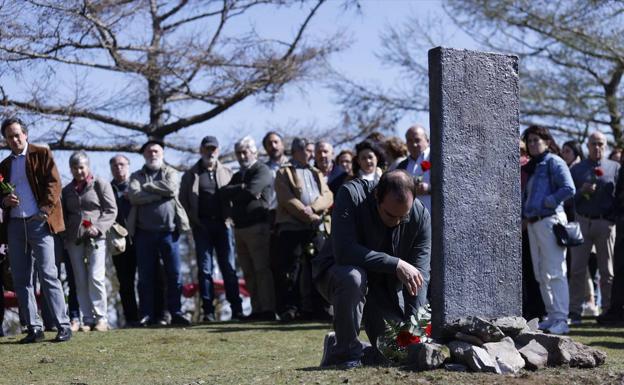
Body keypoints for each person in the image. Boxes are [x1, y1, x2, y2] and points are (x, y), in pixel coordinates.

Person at [312, 170, 430, 368]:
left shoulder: (420, 216)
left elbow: (419, 277)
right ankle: (346, 354)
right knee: (354, 277)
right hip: (339, 275)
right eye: (391, 215)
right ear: (376, 195)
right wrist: (396, 263)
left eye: (404, 216)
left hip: (383, 291)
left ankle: (340, 345)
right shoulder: (351, 195)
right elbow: (344, 251)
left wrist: (413, 331)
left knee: (396, 353)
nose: (397, 222)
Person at [0, 117, 71, 343]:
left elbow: (54, 183)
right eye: (9, 137)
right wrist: (4, 201)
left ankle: (63, 325)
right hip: (15, 225)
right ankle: (34, 328)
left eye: (17, 134)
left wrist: (44, 210)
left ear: (26, 134)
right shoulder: (4, 166)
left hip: (40, 222)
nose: (14, 139)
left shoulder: (42, 153)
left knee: (49, 274)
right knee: (21, 279)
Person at [128, 139, 191, 326]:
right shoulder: (136, 175)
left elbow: (172, 189)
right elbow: (134, 196)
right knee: (145, 277)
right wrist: (159, 193)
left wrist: (147, 188)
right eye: (149, 152)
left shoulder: (171, 172)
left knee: (174, 275)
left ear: (162, 153)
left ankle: (176, 312)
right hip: (144, 234)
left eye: (156, 151)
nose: (152, 154)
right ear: (144, 155)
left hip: (169, 232)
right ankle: (146, 314)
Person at [180, 136, 243, 322]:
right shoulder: (191, 174)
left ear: (218, 150)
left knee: (229, 268)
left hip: (223, 226)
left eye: (214, 148)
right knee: (205, 270)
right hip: (202, 227)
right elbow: (182, 201)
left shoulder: (228, 172)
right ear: (201, 150)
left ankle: (236, 309)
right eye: (207, 148)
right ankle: (208, 311)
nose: (211, 152)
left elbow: (235, 197)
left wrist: (230, 218)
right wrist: (193, 221)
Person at [522, 125, 575, 335]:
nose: (533, 144)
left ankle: (561, 318)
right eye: (530, 140)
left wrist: (548, 201)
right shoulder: (534, 166)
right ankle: (552, 316)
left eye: (536, 140)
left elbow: (569, 188)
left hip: (550, 220)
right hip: (534, 223)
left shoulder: (554, 161)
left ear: (546, 141)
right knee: (541, 273)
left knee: (555, 272)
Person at [274, 137, 333, 322]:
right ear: (297, 151)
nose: (311, 154)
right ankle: (290, 309)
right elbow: (286, 198)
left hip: (316, 228)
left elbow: (328, 195)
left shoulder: (316, 172)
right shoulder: (284, 172)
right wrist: (305, 213)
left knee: (319, 267)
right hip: (292, 227)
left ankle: (320, 308)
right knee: (292, 269)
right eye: (308, 150)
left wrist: (314, 210)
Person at [221, 136, 275, 321]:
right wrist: (241, 188)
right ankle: (256, 309)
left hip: (257, 226)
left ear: (254, 152)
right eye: (238, 153)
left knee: (262, 270)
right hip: (240, 228)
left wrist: (240, 191)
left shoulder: (262, 169)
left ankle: (268, 309)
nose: (242, 156)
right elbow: (223, 192)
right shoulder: (239, 175)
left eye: (245, 152)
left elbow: (250, 192)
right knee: (249, 272)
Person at [62, 151, 117, 332]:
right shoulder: (67, 190)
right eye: (74, 168)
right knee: (80, 279)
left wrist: (98, 227)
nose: (79, 171)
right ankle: (87, 319)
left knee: (96, 276)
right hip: (74, 239)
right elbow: (64, 215)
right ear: (70, 169)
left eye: (81, 167)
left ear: (88, 166)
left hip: (96, 238)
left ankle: (102, 318)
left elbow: (111, 210)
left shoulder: (100, 184)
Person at [569, 132, 619, 324]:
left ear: (605, 145)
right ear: (587, 146)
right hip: (582, 221)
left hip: (605, 223)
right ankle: (574, 311)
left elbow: (618, 195)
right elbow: (568, 198)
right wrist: (582, 191)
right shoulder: (578, 169)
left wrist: (611, 219)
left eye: (600, 144)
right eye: (593, 144)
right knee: (577, 269)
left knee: (607, 271)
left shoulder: (614, 167)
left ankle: (607, 310)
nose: (597, 148)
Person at [561, 140, 598, 317]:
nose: (564, 154)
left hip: (580, 221)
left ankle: (590, 301)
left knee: (583, 265)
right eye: (563, 151)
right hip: (569, 221)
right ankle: (577, 303)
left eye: (567, 151)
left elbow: (572, 196)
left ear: (576, 152)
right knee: (575, 265)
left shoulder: (579, 170)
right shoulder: (567, 168)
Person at [109, 154, 140, 326]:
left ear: (128, 166)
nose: (118, 168)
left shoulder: (136, 186)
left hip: (140, 238)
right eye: (114, 166)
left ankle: (151, 314)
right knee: (125, 281)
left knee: (146, 279)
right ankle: (131, 318)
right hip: (119, 242)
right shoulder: (107, 188)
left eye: (121, 164)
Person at [397, 125, 431, 213]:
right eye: (409, 141)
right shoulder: (402, 166)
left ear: (427, 141)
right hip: (412, 219)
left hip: (436, 217)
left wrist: (429, 189)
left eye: (417, 140)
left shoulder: (437, 158)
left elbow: (452, 185)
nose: (414, 144)